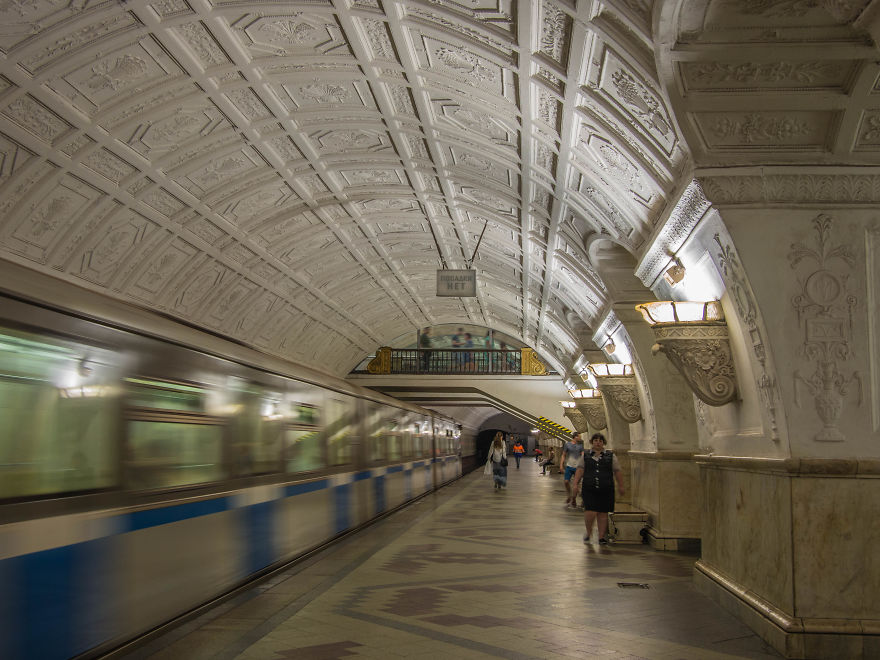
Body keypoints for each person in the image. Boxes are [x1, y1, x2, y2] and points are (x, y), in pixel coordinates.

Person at [573, 433, 625, 545]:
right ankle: (589, 531)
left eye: (600, 441)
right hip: (589, 487)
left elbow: (617, 471)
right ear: (592, 442)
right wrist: (575, 484)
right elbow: (580, 469)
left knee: (602, 512)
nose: (598, 442)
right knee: (590, 511)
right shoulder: (585, 455)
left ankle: (601, 537)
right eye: (596, 440)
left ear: (603, 443)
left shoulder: (611, 456)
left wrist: (621, 485)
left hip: (606, 488)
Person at [559, 432, 585, 508]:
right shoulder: (567, 445)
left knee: (575, 485)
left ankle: (574, 499)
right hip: (569, 466)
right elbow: (563, 455)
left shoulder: (580, 446)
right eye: (579, 436)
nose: (580, 438)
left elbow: (583, 455)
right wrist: (561, 465)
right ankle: (569, 495)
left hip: (578, 467)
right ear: (575, 437)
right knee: (566, 481)